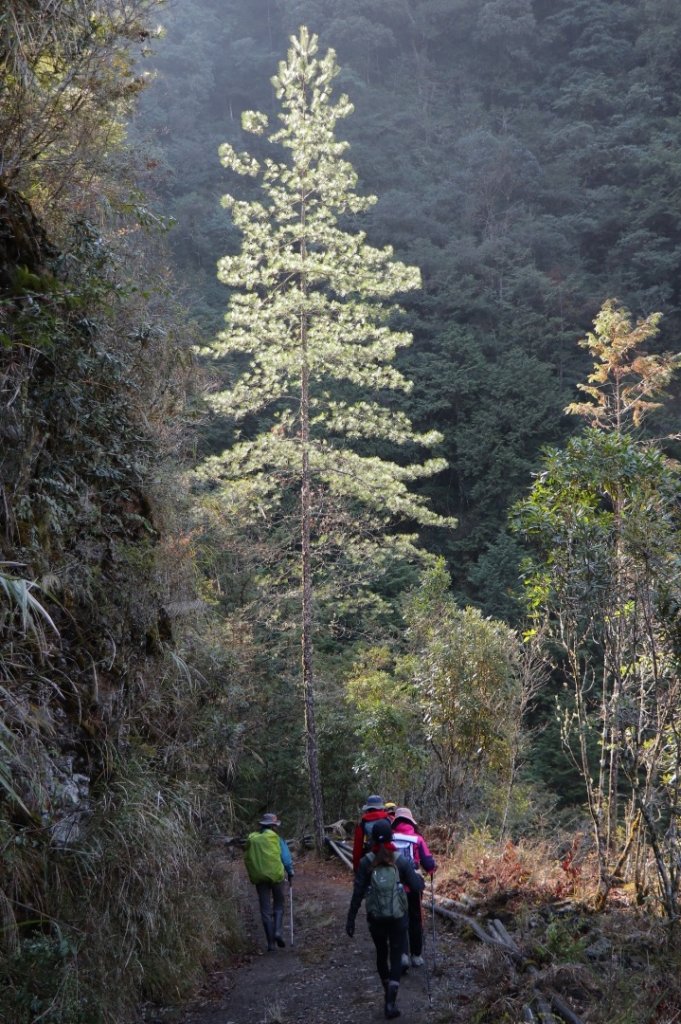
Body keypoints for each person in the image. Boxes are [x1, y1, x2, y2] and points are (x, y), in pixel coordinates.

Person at [346, 820, 424, 1019]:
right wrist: (420, 879)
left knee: (382, 954)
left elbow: (358, 892)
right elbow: (416, 887)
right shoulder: (400, 860)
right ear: (391, 837)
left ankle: (386, 991)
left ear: (372, 839)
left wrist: (351, 919)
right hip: (398, 917)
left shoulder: (366, 862)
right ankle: (390, 1002)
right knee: (396, 956)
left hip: (375, 918)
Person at [391, 806, 436, 968]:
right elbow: (429, 864)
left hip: (393, 887)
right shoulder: (417, 839)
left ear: (396, 821)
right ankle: (416, 955)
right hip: (414, 887)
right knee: (415, 919)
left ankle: (402, 954)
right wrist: (432, 868)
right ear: (411, 821)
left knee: (398, 919)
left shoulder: (389, 838)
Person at [243, 812, 294, 952]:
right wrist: (290, 872)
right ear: (273, 826)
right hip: (276, 876)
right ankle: (278, 931)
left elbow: (247, 859)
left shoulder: (253, 839)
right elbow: (286, 858)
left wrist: (253, 874)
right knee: (278, 904)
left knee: (265, 909)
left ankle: (270, 943)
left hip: (260, 878)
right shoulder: (277, 838)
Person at [352, 794, 391, 872]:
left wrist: (356, 867)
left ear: (368, 808)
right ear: (381, 808)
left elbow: (358, 846)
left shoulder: (363, 823)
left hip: (370, 857)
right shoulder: (388, 820)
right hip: (389, 857)